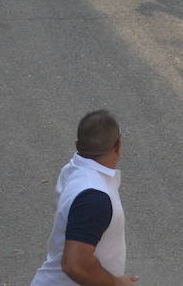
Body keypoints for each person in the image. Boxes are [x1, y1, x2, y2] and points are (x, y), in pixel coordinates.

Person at [30, 110, 136, 286]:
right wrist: (117, 284)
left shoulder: (74, 171)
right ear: (118, 147)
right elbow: (75, 265)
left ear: (77, 146)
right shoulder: (95, 197)